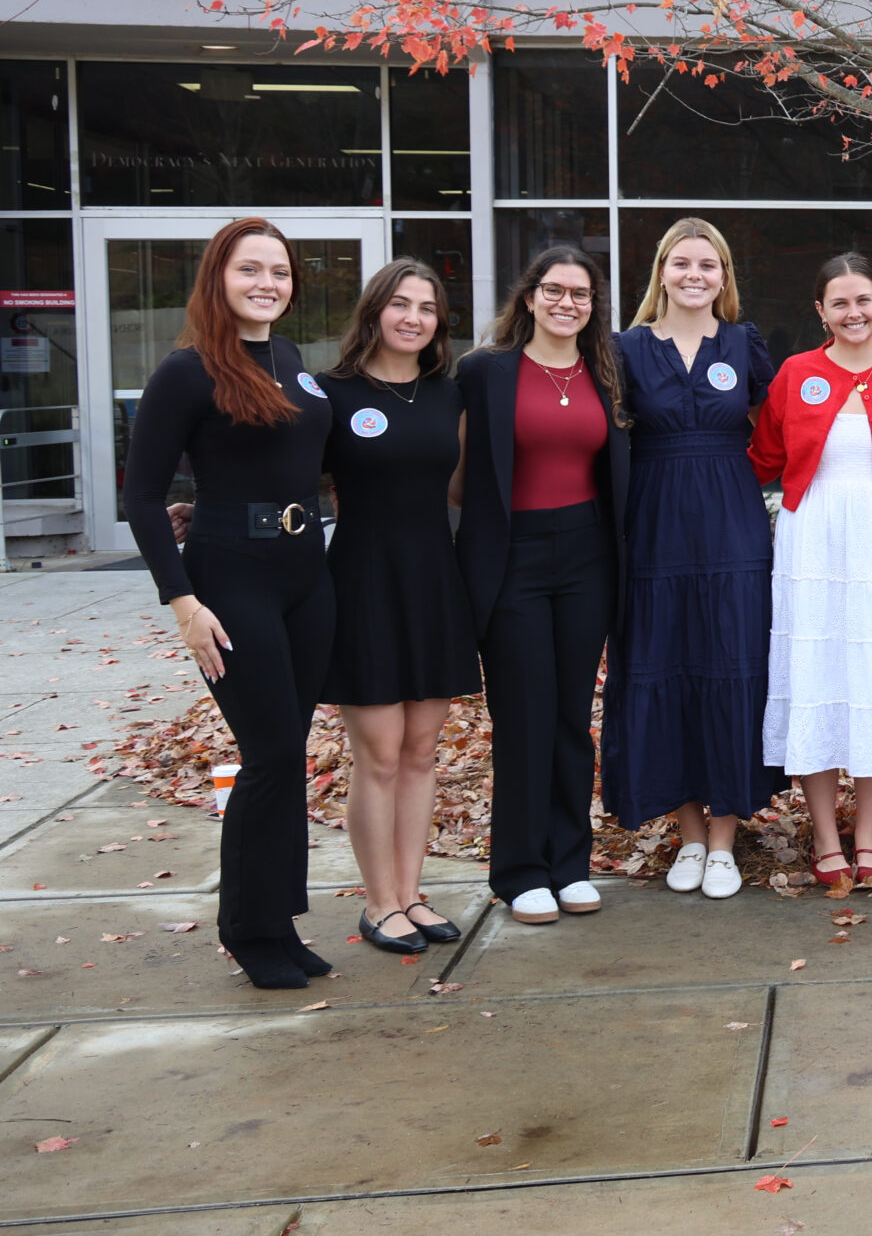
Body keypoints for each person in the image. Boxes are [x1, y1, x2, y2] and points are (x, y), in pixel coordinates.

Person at [126, 219, 336, 989]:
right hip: (229, 577)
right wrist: (182, 601)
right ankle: (249, 931)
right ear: (219, 276)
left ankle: (280, 921)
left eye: (279, 271)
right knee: (269, 753)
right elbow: (143, 498)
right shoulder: (187, 372)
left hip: (305, 575)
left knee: (290, 753)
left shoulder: (289, 359)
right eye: (250, 269)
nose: (267, 283)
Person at [752, 251, 872, 890]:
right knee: (818, 671)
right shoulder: (796, 372)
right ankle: (825, 833)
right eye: (838, 303)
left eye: (862, 300)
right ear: (821, 311)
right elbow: (763, 456)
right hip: (812, 538)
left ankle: (867, 833)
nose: (853, 312)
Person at [605, 219, 781, 900]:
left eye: (708, 264)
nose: (694, 275)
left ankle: (726, 838)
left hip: (732, 525)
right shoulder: (623, 349)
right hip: (653, 525)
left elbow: (780, 425)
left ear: (724, 276)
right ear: (661, 272)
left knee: (730, 662)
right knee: (664, 663)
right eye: (682, 263)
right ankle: (688, 832)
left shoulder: (743, 343)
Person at [454, 247, 629, 926]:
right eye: (554, 290)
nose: (567, 303)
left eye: (580, 293)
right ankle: (520, 870)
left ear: (593, 305)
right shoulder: (485, 371)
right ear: (528, 297)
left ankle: (570, 863)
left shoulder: (606, 371)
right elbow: (451, 463)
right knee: (523, 715)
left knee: (569, 718)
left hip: (586, 553)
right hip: (512, 556)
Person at [318, 261, 482, 952]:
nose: (413, 317)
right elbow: (286, 476)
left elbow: (463, 493)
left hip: (433, 581)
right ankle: (377, 901)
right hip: (362, 582)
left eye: (427, 307)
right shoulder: (329, 393)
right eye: (400, 304)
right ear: (375, 312)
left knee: (421, 750)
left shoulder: (450, 396)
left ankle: (412, 893)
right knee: (378, 753)